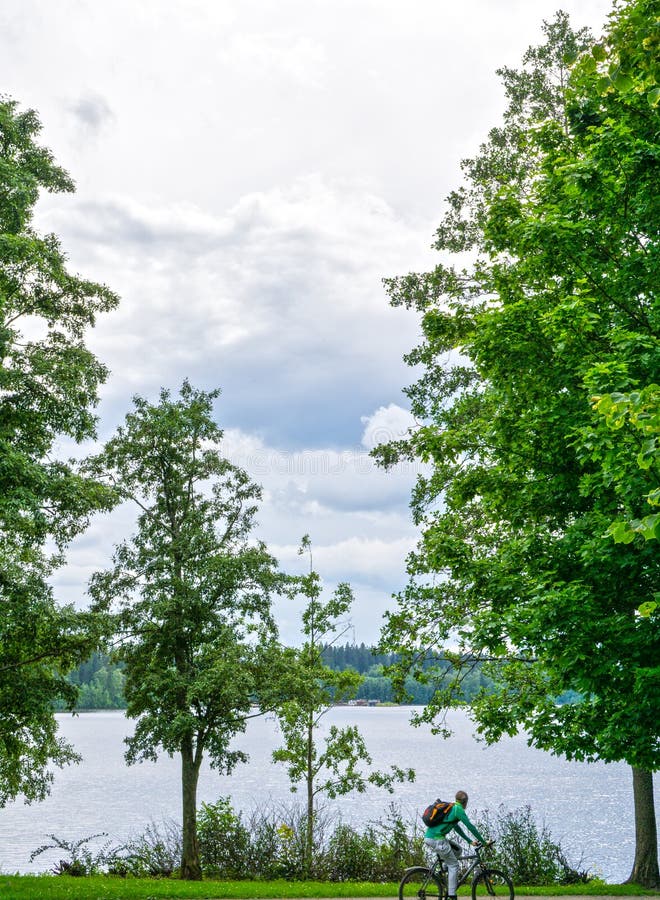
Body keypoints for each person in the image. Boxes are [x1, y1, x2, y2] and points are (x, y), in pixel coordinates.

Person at [424, 790, 488, 900]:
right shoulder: (459, 809)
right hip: (437, 839)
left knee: (458, 850)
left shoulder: (453, 808)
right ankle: (452, 895)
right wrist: (484, 842)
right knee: (454, 865)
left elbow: (456, 827)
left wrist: (469, 841)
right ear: (465, 802)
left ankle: (443, 870)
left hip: (432, 837)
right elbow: (470, 827)